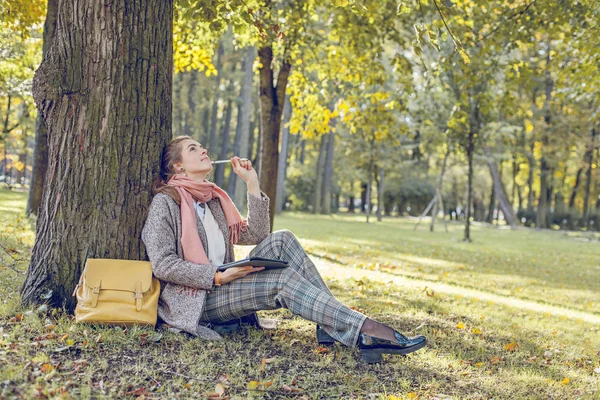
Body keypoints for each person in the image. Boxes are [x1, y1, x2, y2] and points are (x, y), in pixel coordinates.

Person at [141, 135, 426, 362]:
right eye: (193, 149)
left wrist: (252, 184)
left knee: (283, 238)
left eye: (202, 147)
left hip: (225, 282)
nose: (203, 150)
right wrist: (215, 276)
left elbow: (257, 234)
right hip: (198, 301)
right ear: (178, 166)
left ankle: (331, 327)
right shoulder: (166, 203)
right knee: (281, 280)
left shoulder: (214, 199)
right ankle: (367, 330)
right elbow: (163, 264)